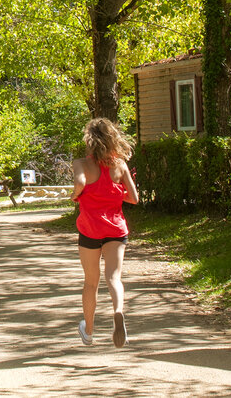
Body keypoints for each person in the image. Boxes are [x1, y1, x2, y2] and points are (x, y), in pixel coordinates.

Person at [72, 117, 139, 348]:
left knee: (91, 282)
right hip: (116, 229)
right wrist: (114, 193)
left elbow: (80, 183)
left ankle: (88, 332)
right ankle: (118, 311)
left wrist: (76, 194)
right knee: (114, 277)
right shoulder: (120, 164)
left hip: (90, 229)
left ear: (89, 140)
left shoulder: (81, 163)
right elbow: (134, 198)